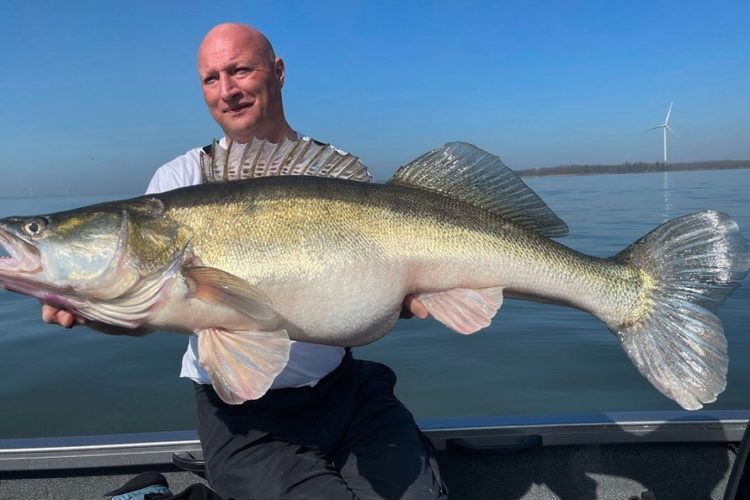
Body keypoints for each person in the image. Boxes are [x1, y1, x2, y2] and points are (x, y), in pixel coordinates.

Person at [43, 22, 447, 500]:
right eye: (211, 79)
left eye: (239, 71)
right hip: (244, 417)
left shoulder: (331, 170)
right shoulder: (177, 181)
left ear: (277, 72)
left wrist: (406, 294)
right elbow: (142, 315)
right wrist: (96, 310)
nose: (227, 91)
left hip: (347, 390)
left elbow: (377, 285)